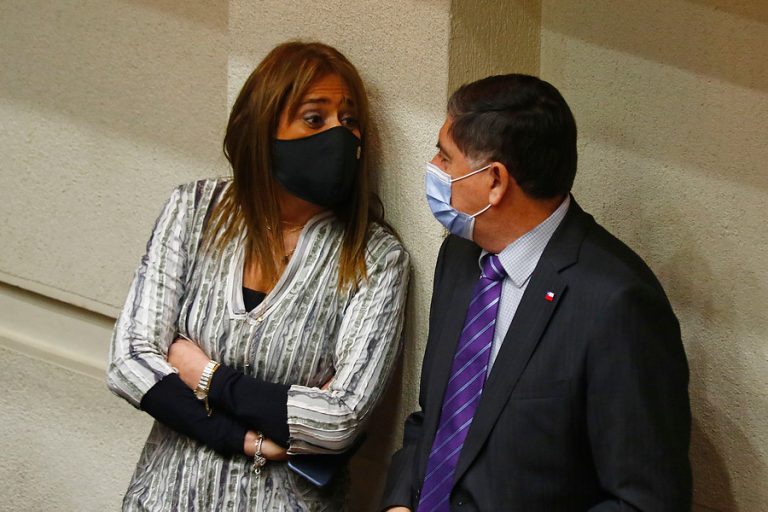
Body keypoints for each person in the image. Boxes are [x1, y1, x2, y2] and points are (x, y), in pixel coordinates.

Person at [107, 41, 410, 511]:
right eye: (315, 119)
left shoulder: (376, 257)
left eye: (350, 121)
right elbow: (130, 361)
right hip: (165, 496)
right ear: (263, 126)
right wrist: (246, 439)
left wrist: (204, 375)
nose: (339, 135)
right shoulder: (195, 210)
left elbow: (339, 419)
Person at [380, 74, 691, 511]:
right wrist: (398, 503)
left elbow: (646, 501)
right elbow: (434, 419)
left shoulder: (617, 303)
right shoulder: (460, 257)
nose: (434, 167)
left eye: (445, 157)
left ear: (495, 181)